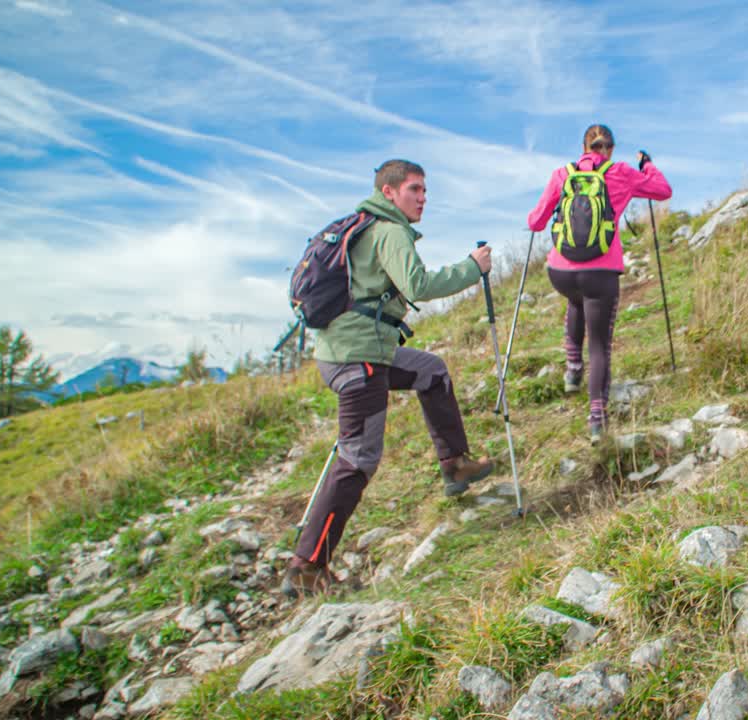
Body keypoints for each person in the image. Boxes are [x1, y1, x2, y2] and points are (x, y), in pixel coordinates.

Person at [283, 159, 495, 597]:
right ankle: (307, 565)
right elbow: (416, 285)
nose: (422, 198)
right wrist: (472, 268)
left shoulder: (364, 227)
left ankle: (455, 465)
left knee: (431, 372)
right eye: (414, 189)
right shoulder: (389, 230)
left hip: (359, 352)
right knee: (358, 458)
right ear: (389, 193)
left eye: (424, 190)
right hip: (358, 359)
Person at [527, 124, 672, 441]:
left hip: (561, 272)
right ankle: (596, 418)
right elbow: (663, 191)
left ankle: (573, 368)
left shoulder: (562, 174)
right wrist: (647, 165)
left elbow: (535, 222)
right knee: (600, 343)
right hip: (601, 272)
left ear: (583, 149)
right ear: (609, 149)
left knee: (575, 300)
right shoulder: (620, 172)